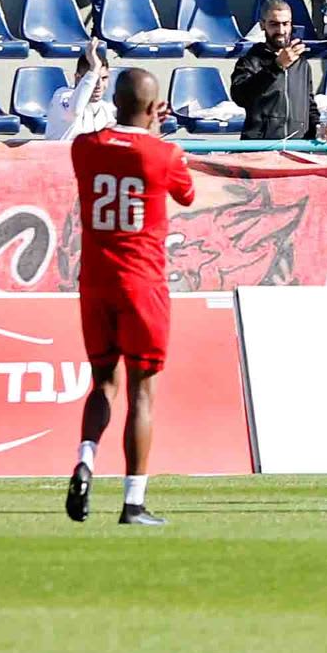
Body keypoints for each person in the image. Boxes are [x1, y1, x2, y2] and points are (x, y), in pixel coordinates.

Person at [65, 64, 197, 529]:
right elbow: (186, 193)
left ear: (116, 101)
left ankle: (85, 458)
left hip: (96, 283)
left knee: (102, 383)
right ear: (151, 106)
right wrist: (156, 132)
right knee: (143, 392)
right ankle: (133, 503)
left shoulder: (85, 148)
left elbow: (105, 141)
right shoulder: (163, 153)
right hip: (142, 285)